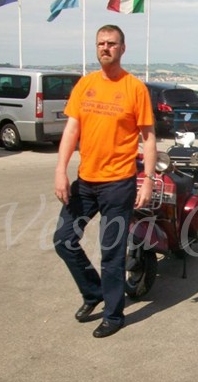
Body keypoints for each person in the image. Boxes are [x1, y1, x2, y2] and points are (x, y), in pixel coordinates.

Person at [53, 24, 157, 338]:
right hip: (85, 181)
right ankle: (93, 292)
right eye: (101, 43)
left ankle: (113, 315)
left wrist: (148, 180)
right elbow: (72, 130)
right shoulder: (85, 84)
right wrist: (60, 170)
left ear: (122, 48)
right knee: (63, 240)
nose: (105, 48)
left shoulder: (135, 88)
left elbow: (149, 138)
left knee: (111, 253)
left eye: (111, 43)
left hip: (118, 184)